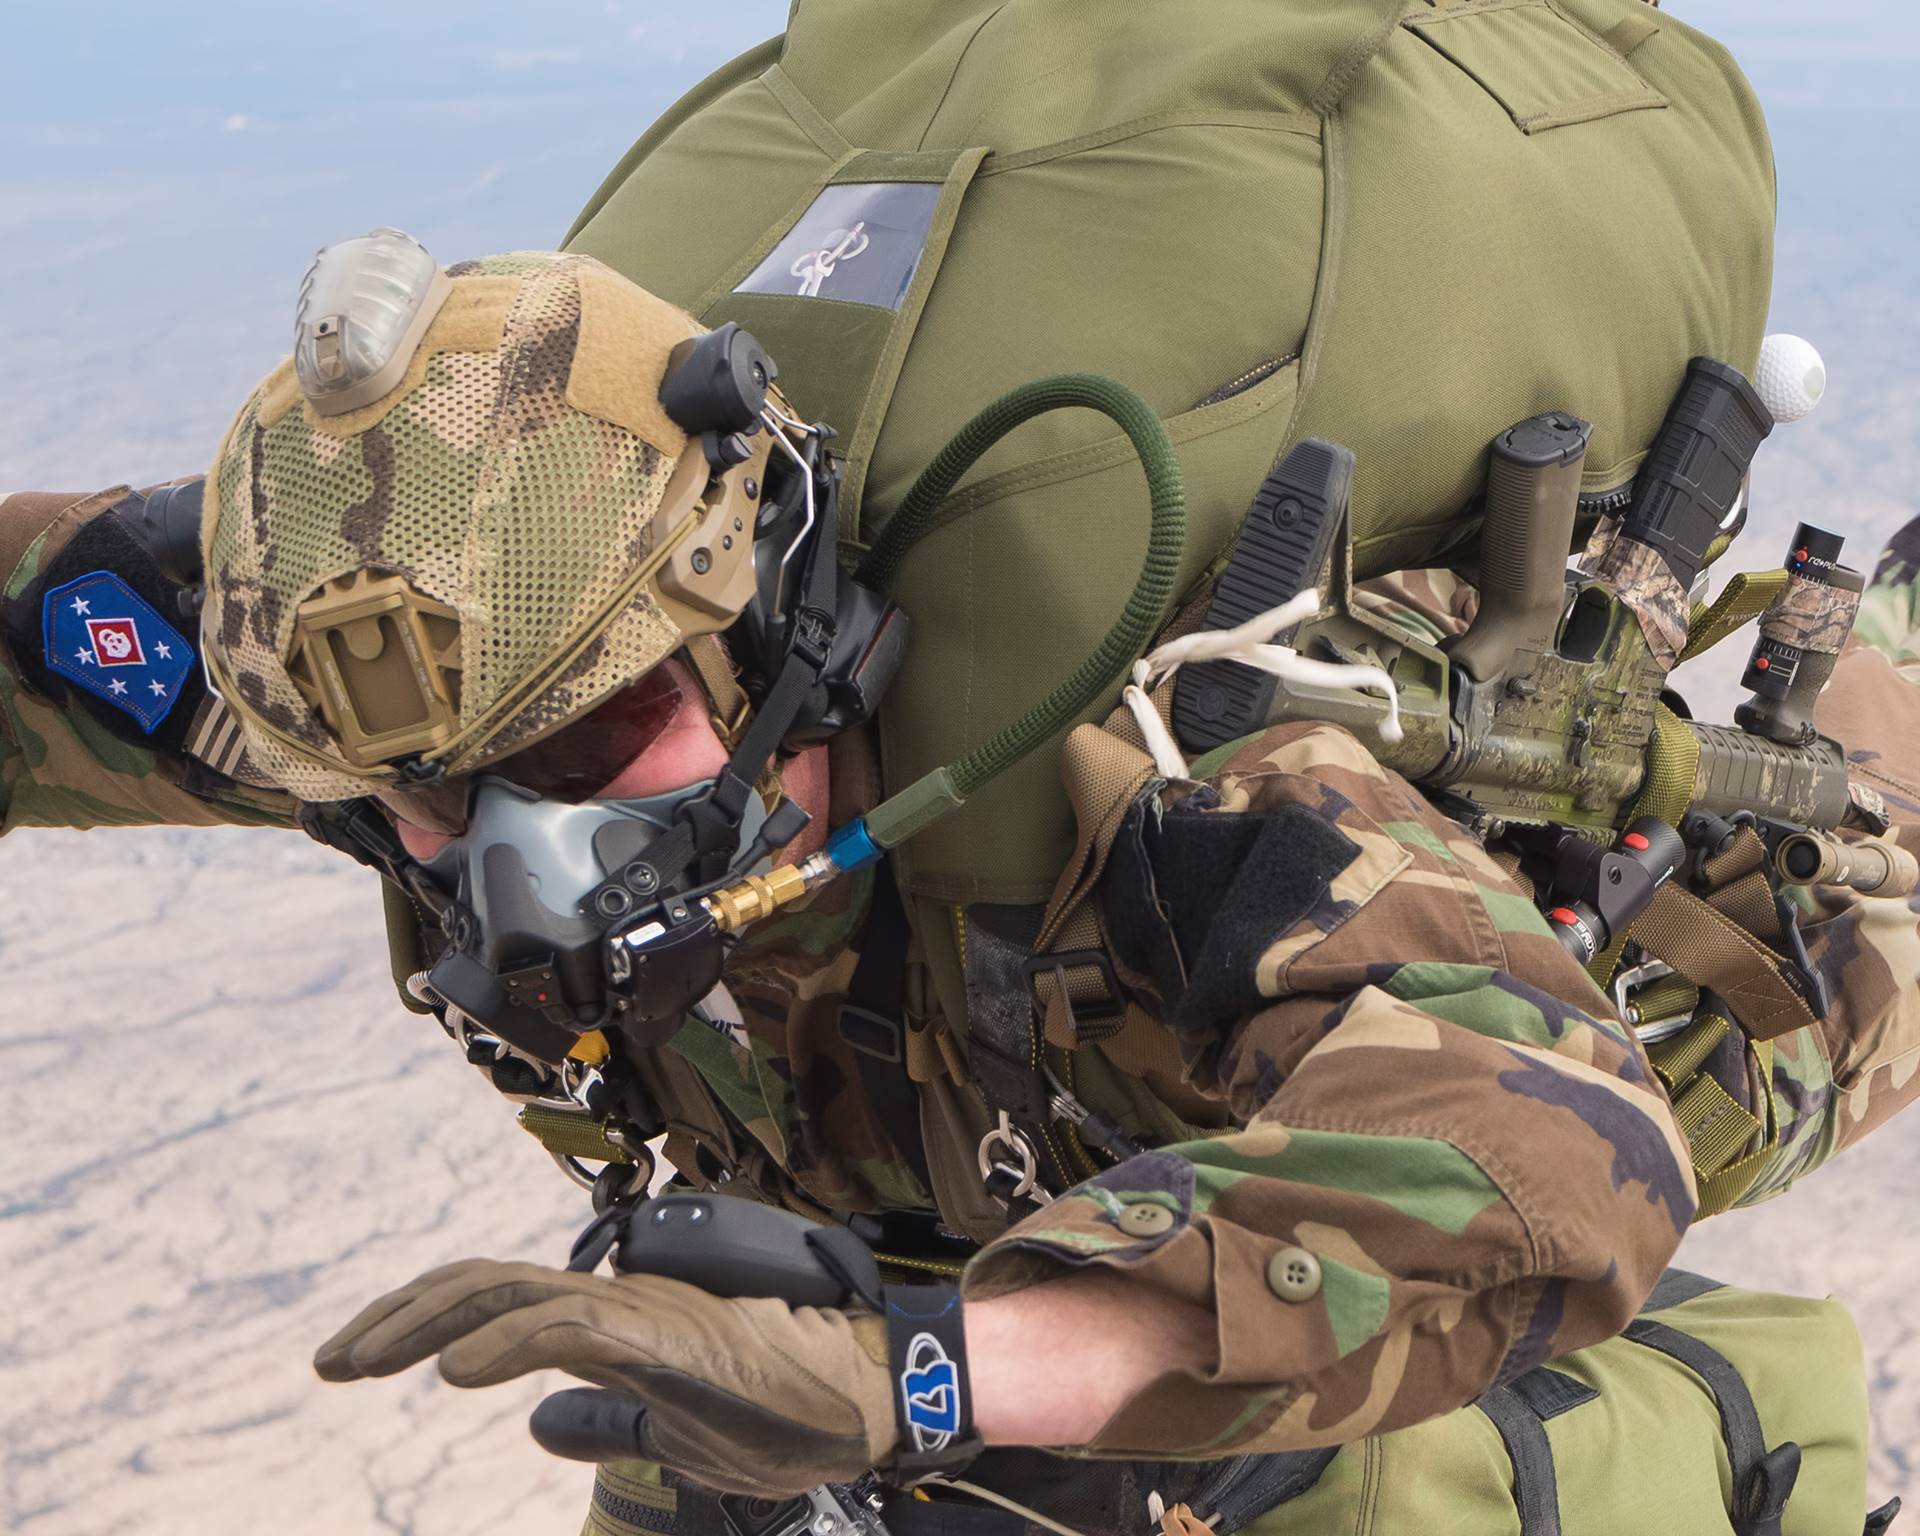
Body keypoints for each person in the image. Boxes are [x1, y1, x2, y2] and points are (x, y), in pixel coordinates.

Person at [3, 223, 1917, 1534]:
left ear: (764, 618)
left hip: (1693, 988)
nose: (523, 859)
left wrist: (928, 1382)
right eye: (425, 806)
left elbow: (1556, 1156)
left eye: (590, 752)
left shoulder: (1150, 779)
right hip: (928, 1206)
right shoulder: (357, 669)